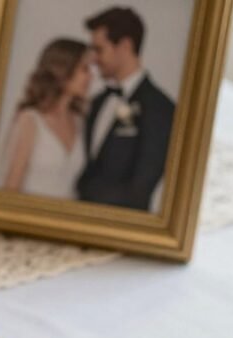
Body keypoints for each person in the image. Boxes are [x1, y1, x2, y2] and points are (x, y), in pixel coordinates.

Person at [76, 7, 175, 211]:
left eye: (99, 49)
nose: (93, 58)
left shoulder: (160, 108)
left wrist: (85, 195)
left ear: (125, 46)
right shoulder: (97, 102)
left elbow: (141, 188)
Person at [0, 38, 91, 199]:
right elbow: (11, 187)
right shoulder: (30, 120)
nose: (90, 76)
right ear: (64, 70)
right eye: (85, 69)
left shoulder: (80, 121)